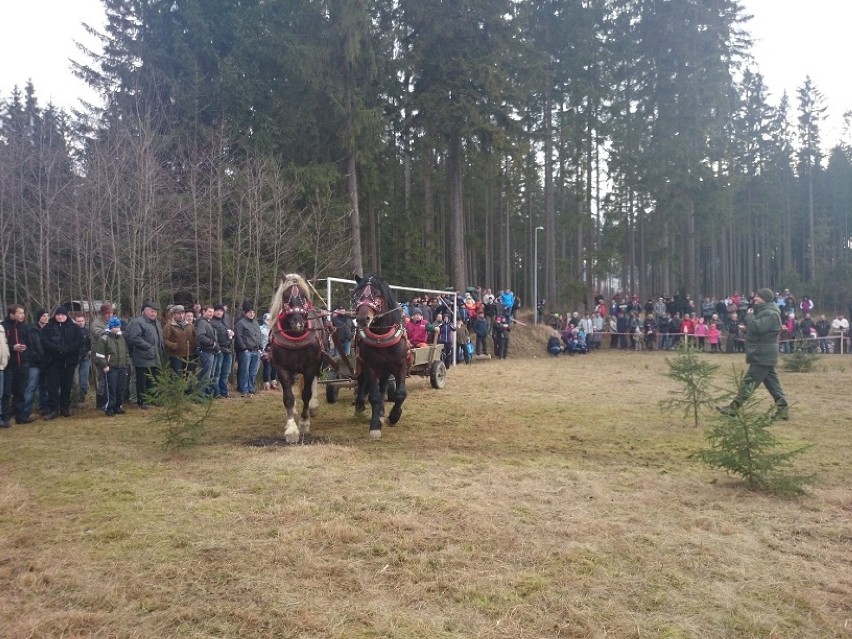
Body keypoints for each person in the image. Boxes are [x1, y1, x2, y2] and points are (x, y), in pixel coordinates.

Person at [718, 288, 789, 420]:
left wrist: (749, 317)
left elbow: (757, 327)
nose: (755, 298)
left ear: (765, 299)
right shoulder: (765, 312)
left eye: (758, 296)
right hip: (763, 353)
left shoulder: (770, 314)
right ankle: (783, 411)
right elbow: (759, 330)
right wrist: (747, 329)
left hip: (762, 354)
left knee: (748, 382)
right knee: (773, 386)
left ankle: (733, 408)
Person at [41, 306, 84, 419]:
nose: (60, 317)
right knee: (53, 387)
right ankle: (53, 410)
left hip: (68, 361)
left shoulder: (74, 328)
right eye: (58, 314)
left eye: (63, 315)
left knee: (67, 386)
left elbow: (79, 341)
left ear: (66, 315)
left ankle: (65, 408)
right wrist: (58, 349)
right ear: (55, 315)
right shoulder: (48, 327)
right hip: (53, 362)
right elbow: (45, 342)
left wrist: (68, 350)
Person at [125, 301, 164, 409]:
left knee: (153, 380)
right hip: (142, 357)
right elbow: (135, 338)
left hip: (155, 357)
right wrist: (149, 347)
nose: (154, 314)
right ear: (145, 311)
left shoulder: (157, 323)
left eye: (155, 312)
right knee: (142, 381)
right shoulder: (138, 322)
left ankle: (153, 400)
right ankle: (142, 402)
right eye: (152, 311)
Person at [2, 305, 35, 425]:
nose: (23, 315)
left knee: (20, 392)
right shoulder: (3, 326)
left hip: (23, 364)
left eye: (23, 313)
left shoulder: (24, 327)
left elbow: (30, 344)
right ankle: (4, 419)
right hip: (8, 366)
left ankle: (20, 417)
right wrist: (12, 348)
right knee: (6, 393)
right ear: (12, 313)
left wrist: (26, 351)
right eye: (20, 313)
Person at [94, 317, 130, 416]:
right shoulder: (104, 338)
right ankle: (109, 407)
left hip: (122, 366)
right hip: (111, 367)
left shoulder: (121, 337)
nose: (117, 329)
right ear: (110, 327)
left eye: (118, 327)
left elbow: (125, 351)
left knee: (120, 387)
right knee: (111, 388)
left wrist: (127, 363)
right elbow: (100, 354)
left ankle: (118, 406)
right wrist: (105, 365)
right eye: (115, 327)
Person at [235, 301, 263, 397]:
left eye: (253, 312)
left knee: (253, 372)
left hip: (256, 351)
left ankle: (252, 388)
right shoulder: (240, 323)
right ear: (245, 313)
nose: (252, 314)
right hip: (246, 351)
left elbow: (258, 336)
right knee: (244, 371)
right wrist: (244, 348)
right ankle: (244, 389)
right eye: (249, 312)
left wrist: (260, 347)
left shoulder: (256, 323)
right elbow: (238, 337)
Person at [90, 302, 114, 408]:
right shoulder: (96, 323)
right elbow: (100, 335)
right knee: (102, 380)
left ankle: (111, 400)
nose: (110, 315)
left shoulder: (112, 321)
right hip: (100, 356)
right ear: (103, 313)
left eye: (111, 313)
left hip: (111, 355)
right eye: (107, 313)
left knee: (110, 379)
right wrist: (111, 331)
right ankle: (101, 403)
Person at [163, 304, 196, 375]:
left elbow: (195, 337)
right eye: (178, 313)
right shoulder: (168, 326)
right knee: (177, 377)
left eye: (182, 313)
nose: (181, 315)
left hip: (190, 355)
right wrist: (174, 346)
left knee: (190, 376)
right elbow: (164, 340)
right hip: (176, 356)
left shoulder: (190, 326)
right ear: (174, 314)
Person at [194, 305, 219, 397]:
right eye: (209, 312)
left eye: (212, 312)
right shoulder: (201, 322)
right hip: (206, 351)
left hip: (211, 352)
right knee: (205, 375)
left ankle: (206, 394)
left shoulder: (208, 322)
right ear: (203, 312)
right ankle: (201, 395)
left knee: (209, 375)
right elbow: (200, 336)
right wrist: (212, 343)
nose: (211, 314)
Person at [211, 304, 234, 398]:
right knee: (217, 372)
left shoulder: (225, 321)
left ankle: (225, 392)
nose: (219, 312)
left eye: (221, 310)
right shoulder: (211, 322)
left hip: (228, 349)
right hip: (218, 350)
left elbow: (230, 336)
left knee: (226, 372)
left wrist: (232, 335)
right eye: (217, 310)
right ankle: (217, 392)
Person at [74, 315, 92, 405]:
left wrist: (90, 350)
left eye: (82, 321)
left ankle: (83, 398)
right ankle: (75, 398)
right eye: (78, 321)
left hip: (85, 358)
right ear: (75, 322)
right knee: (75, 380)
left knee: (84, 379)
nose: (80, 323)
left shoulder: (88, 332)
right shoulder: (72, 331)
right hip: (75, 359)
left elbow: (92, 343)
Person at [0, 325, 9, 427]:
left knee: (0, 394)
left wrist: (6, 357)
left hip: (1, 366)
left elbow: (4, 344)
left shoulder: (1, 328)